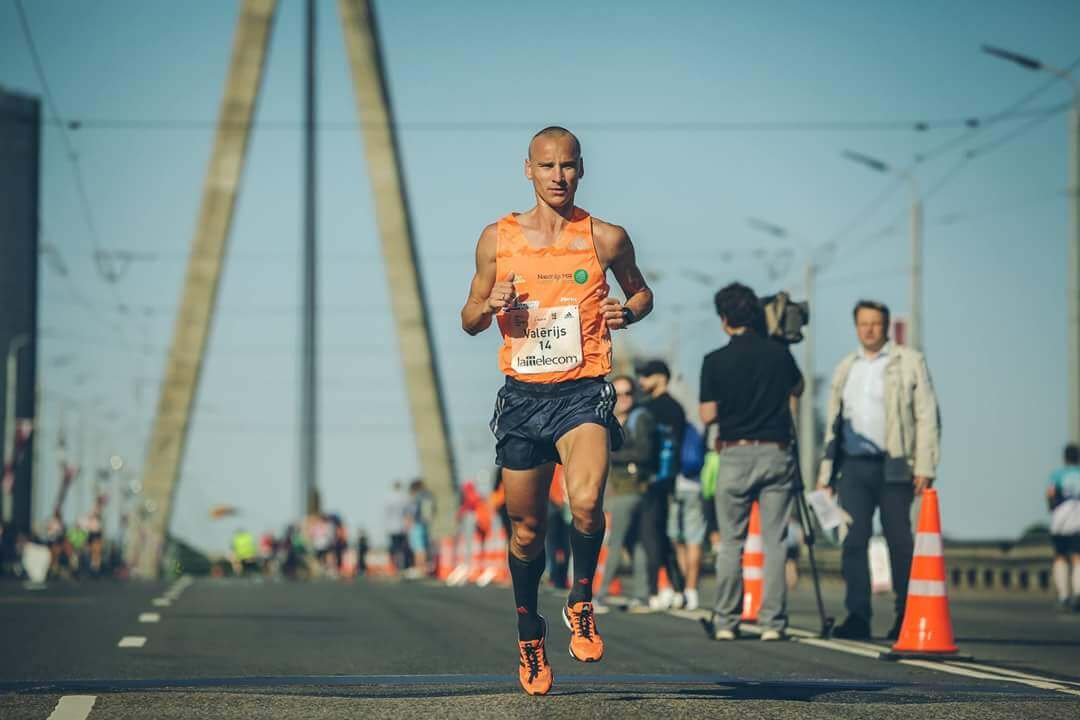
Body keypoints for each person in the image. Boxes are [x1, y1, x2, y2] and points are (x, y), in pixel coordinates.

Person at [461, 126, 652, 695]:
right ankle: (529, 632)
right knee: (526, 530)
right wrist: (487, 303)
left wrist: (630, 312)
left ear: (582, 169)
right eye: (547, 167)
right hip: (523, 396)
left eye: (568, 166)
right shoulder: (498, 238)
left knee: (588, 503)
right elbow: (469, 317)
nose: (558, 176)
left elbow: (642, 292)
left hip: (582, 389)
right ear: (529, 170)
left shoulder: (606, 237)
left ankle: (581, 598)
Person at [817, 299, 941, 640]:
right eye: (863, 323)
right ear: (856, 326)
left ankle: (906, 614)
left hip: (896, 464)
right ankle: (857, 614)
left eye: (875, 323)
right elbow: (834, 424)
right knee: (852, 542)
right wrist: (826, 474)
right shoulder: (846, 367)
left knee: (899, 541)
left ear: (886, 326)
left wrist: (926, 463)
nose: (869, 329)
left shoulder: (909, 362)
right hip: (853, 467)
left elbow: (927, 415)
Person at [699, 282, 803, 641]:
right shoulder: (778, 354)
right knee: (775, 541)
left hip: (734, 453)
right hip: (775, 452)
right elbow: (798, 388)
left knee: (732, 542)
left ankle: (726, 621)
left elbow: (707, 413)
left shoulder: (714, 361)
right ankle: (773, 623)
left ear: (724, 319)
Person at [638, 359, 702, 611]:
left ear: (661, 378)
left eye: (646, 376)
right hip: (676, 479)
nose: (642, 381)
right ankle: (680, 588)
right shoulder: (676, 408)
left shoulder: (651, 409)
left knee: (655, 534)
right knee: (673, 536)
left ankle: (661, 588)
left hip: (656, 479)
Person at [595, 375, 653, 610]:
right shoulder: (610, 420)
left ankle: (601, 594)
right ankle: (641, 594)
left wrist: (609, 454)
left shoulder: (639, 419)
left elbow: (643, 452)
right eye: (618, 394)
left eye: (629, 393)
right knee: (635, 542)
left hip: (629, 490)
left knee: (615, 543)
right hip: (618, 489)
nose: (624, 399)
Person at [1048, 444, 1080, 610]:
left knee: (1060, 556)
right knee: (1078, 558)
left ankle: (1063, 596)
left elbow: (1051, 495)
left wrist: (1053, 509)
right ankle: (1078, 592)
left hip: (1062, 517)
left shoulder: (1058, 474)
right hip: (1079, 518)